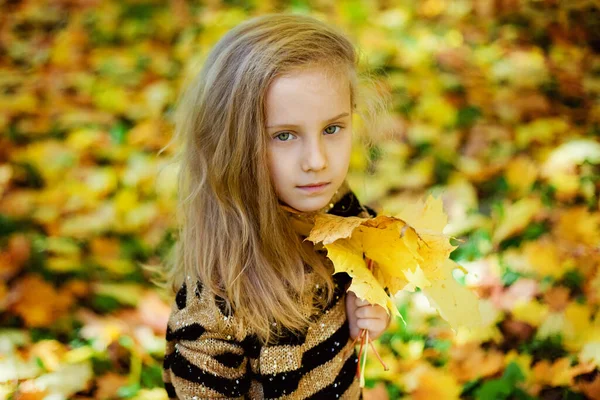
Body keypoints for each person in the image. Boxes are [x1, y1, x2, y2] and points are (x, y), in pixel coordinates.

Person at [160, 13, 392, 399]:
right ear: (232, 146)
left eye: (332, 129)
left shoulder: (343, 216)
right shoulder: (216, 299)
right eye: (284, 135)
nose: (316, 160)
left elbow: (375, 260)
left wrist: (372, 299)